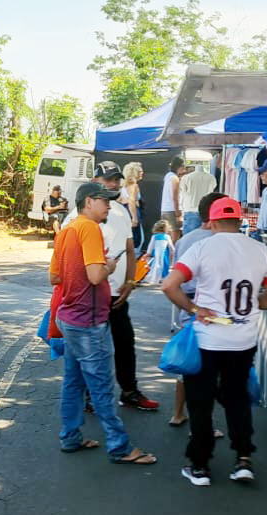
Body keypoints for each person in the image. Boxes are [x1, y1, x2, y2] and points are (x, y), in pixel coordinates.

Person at [162, 196, 267, 487]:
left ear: (212, 222)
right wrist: (251, 305)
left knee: (200, 403)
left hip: (208, 338)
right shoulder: (261, 250)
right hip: (243, 339)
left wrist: (194, 309)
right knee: (237, 399)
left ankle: (200, 466)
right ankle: (243, 459)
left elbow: (169, 285)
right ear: (239, 220)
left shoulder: (202, 247)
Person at [50, 182, 157, 465]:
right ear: (88, 202)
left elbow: (55, 277)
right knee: (101, 386)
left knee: (74, 382)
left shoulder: (67, 229)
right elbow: (97, 276)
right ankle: (120, 447)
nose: (109, 205)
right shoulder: (89, 229)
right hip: (88, 320)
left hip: (71, 316)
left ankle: (70, 437)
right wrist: (109, 266)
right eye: (104, 201)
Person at [65, 161, 159, 411]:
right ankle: (90, 397)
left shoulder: (119, 210)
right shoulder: (75, 218)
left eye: (116, 179)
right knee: (91, 351)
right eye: (108, 179)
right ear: (94, 182)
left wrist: (130, 281)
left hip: (117, 296)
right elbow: (65, 262)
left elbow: (129, 249)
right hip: (89, 298)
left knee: (124, 344)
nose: (114, 184)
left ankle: (129, 391)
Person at [167, 191, 226, 428]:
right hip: (210, 308)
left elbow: (173, 277)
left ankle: (178, 413)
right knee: (208, 369)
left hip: (185, 304)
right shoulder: (218, 241)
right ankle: (202, 425)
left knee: (188, 363)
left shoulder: (185, 239)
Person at [178, 164, 217, 236]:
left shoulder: (186, 178)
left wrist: (180, 209)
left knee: (189, 239)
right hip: (206, 211)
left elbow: (182, 192)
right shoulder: (211, 178)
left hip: (191, 210)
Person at [120, 161, 145, 255]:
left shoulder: (123, 186)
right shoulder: (133, 186)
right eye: (140, 172)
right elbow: (132, 201)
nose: (142, 173)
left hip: (125, 213)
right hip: (132, 213)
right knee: (138, 241)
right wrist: (134, 218)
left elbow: (121, 200)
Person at [161, 156, 185, 239]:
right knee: (175, 236)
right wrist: (178, 214)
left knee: (167, 235)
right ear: (180, 167)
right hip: (172, 210)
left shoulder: (168, 176)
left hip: (165, 209)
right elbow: (175, 197)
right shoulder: (175, 179)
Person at [146, 219, 173, 285]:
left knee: (155, 265)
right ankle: (163, 278)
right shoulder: (167, 236)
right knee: (165, 265)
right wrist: (174, 252)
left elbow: (151, 245)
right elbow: (171, 246)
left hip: (156, 253)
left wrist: (148, 252)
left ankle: (154, 277)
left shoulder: (154, 236)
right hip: (164, 253)